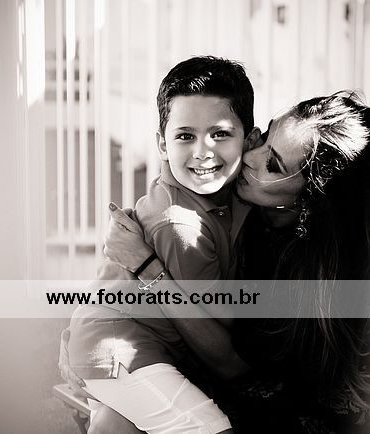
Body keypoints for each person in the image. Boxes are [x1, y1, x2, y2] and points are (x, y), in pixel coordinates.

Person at [60, 91, 370, 433]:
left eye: (273, 165)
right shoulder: (248, 207)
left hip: (290, 407)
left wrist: (147, 268)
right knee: (115, 416)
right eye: (266, 137)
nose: (250, 156)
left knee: (118, 420)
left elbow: (233, 366)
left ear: (309, 205)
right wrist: (91, 334)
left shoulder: (320, 279)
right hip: (222, 379)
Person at [66, 56, 256, 434]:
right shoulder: (180, 225)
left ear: (248, 140)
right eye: (185, 136)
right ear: (162, 144)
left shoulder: (222, 194)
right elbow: (220, 343)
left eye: (220, 134)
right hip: (118, 348)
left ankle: (109, 416)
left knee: (120, 424)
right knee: (210, 428)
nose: (203, 151)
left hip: (139, 346)